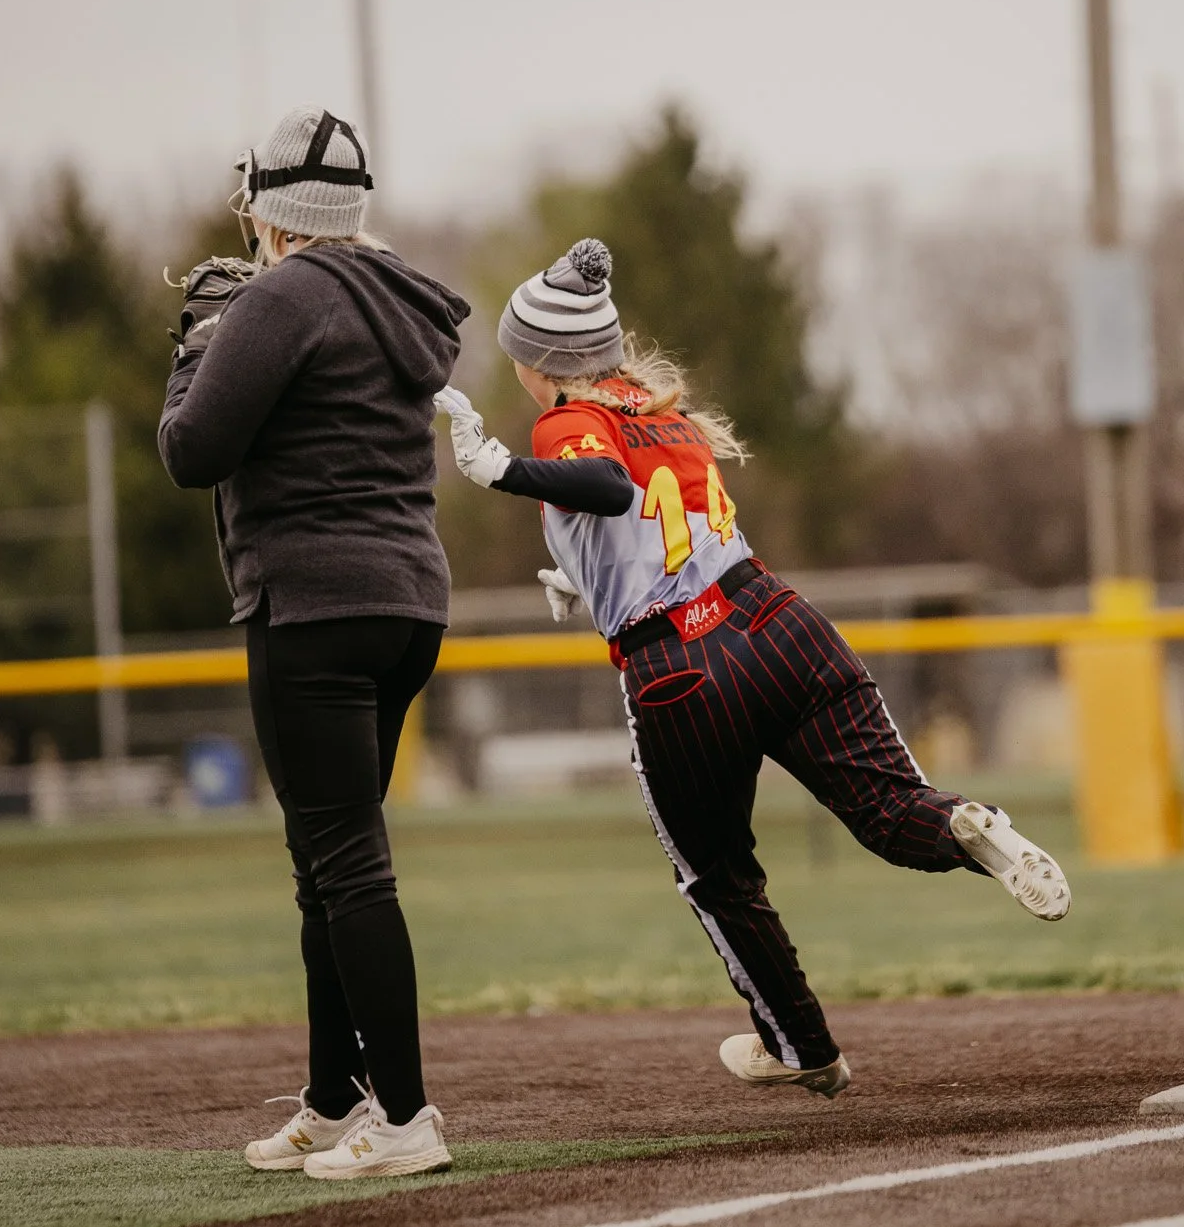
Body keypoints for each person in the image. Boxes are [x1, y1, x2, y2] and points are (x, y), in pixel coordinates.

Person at [437, 238, 1070, 1097]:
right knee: (893, 812)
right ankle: (965, 822)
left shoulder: (564, 420)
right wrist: (586, 581)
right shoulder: (661, 409)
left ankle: (801, 1044)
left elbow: (612, 491)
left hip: (681, 670)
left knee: (719, 878)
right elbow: (660, 527)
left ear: (539, 360)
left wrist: (500, 468)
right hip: (776, 619)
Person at [159, 108, 469, 1177]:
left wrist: (190, 356)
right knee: (326, 869)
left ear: (268, 211)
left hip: (313, 605)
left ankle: (409, 1118)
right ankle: (337, 1099)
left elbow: (192, 451)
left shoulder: (283, 292)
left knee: (343, 866)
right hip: (406, 600)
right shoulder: (397, 294)